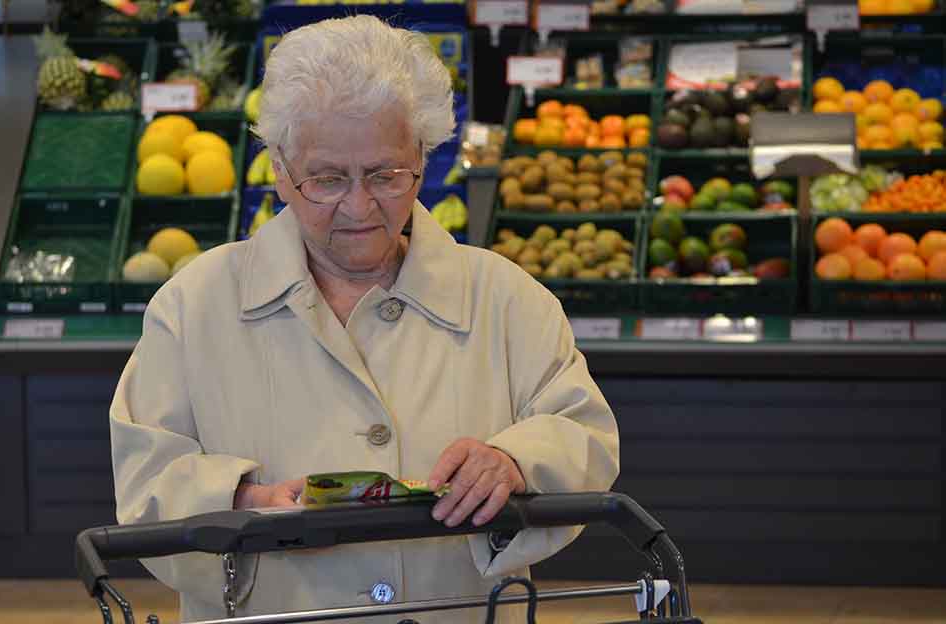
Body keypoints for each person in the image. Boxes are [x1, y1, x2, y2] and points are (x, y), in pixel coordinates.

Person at [109, 14, 619, 623]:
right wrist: (239, 503)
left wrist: (516, 462)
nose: (358, 206)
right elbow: (145, 479)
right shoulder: (192, 307)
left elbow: (583, 432)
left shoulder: (507, 299)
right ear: (278, 168)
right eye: (326, 180)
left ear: (423, 158)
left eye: (385, 175)